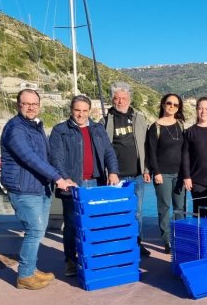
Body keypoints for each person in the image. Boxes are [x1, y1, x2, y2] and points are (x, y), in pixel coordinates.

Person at [0, 89, 75, 290]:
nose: (31, 107)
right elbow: (29, 157)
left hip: (40, 186)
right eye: (26, 103)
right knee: (34, 230)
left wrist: (63, 176)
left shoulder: (35, 127)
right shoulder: (15, 129)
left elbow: (47, 157)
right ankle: (24, 275)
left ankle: (31, 269)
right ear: (18, 105)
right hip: (24, 188)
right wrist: (57, 178)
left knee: (38, 230)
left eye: (35, 104)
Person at [50, 95, 120, 277]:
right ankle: (71, 261)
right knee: (72, 225)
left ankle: (93, 257)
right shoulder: (60, 130)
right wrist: (64, 178)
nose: (81, 114)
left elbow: (109, 152)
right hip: (73, 186)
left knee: (96, 224)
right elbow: (56, 158)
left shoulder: (97, 129)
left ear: (89, 111)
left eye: (84, 110)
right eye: (77, 110)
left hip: (97, 184)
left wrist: (113, 171)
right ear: (71, 110)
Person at [105, 81, 152, 256]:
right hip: (116, 177)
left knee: (137, 213)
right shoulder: (106, 119)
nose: (120, 101)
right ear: (112, 99)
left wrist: (147, 170)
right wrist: (110, 171)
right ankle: (120, 244)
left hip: (137, 175)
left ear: (129, 99)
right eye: (116, 98)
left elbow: (146, 146)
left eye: (123, 98)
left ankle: (137, 243)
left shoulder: (139, 118)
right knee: (117, 212)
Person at [145, 93, 186, 254]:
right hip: (163, 174)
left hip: (180, 174)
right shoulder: (155, 127)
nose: (172, 107)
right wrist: (156, 172)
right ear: (163, 104)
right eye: (169, 103)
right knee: (164, 208)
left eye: (176, 105)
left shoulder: (181, 125)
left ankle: (181, 237)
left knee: (180, 208)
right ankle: (167, 240)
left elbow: (185, 151)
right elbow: (151, 153)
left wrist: (186, 173)